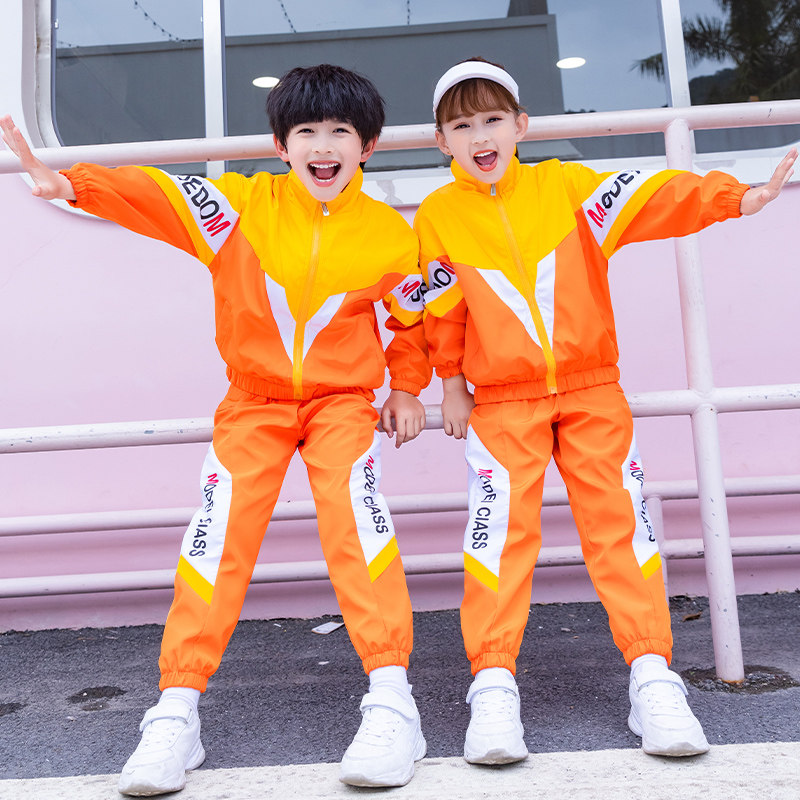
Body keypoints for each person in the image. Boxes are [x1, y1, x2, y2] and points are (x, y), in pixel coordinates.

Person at [1, 63, 432, 793]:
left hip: (342, 404)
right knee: (216, 539)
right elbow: (161, 194)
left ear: (368, 146)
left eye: (340, 132)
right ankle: (175, 710)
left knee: (358, 526)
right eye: (306, 131)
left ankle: (393, 701)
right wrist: (73, 185)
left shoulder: (392, 233)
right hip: (254, 403)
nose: (323, 146)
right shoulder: (239, 208)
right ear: (280, 145)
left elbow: (411, 320)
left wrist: (409, 388)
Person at [414, 57, 797, 765]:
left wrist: (735, 196)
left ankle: (652, 675)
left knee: (622, 528)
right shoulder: (438, 214)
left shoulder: (567, 186)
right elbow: (440, 308)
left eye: (493, 119)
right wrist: (451, 382)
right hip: (501, 401)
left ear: (521, 125)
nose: (480, 136)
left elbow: (652, 196)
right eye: (462, 126)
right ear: (442, 141)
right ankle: (492, 686)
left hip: (592, 390)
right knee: (498, 539)